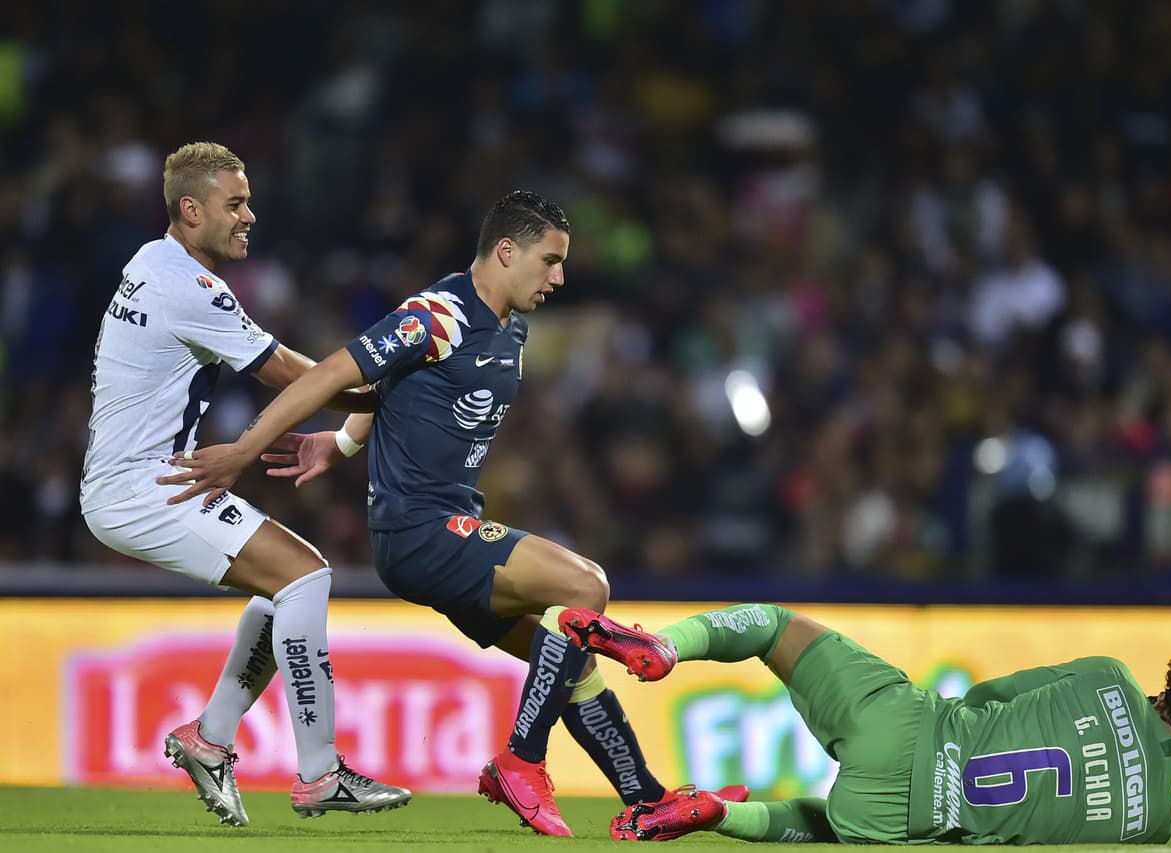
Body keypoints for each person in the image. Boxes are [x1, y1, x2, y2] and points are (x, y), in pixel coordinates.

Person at [156, 189, 747, 836]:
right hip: (420, 533)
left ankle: (646, 797)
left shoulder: (512, 325)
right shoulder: (438, 314)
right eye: (549, 260)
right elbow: (332, 372)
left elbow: (394, 388)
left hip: (450, 527)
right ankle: (521, 760)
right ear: (505, 250)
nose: (560, 276)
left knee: (570, 652)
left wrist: (344, 441)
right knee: (586, 586)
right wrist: (246, 448)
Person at [80, 142, 411, 827]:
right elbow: (291, 371)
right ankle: (319, 774)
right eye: (234, 204)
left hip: (138, 479)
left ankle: (208, 738)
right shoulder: (188, 287)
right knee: (306, 578)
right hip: (144, 487)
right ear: (191, 209)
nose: (249, 216)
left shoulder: (151, 259)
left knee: (287, 583)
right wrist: (386, 397)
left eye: (249, 201)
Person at [557, 605, 1171, 844]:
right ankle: (711, 814)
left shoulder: (1109, 676)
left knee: (771, 626)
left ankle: (668, 645)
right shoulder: (1150, 825)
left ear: (1169, 694)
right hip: (910, 816)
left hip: (910, 723)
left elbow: (990, 693)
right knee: (832, 825)